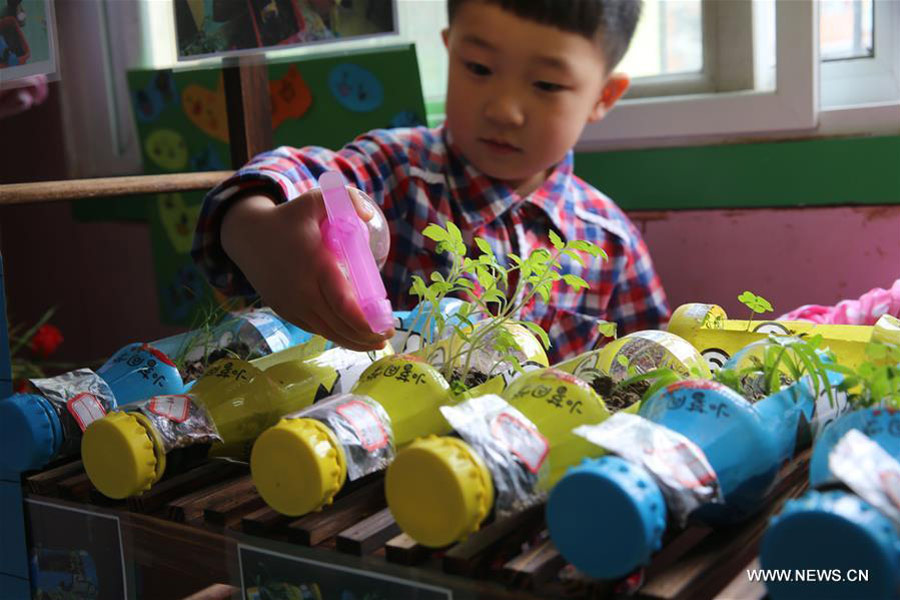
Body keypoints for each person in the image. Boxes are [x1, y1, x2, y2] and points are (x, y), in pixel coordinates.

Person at [192, 0, 669, 363]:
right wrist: (253, 226)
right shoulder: (399, 170)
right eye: (478, 68)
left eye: (546, 84)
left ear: (603, 96)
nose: (503, 109)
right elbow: (305, 174)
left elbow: (652, 369)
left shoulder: (612, 244)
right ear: (450, 50)